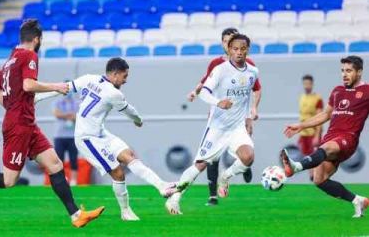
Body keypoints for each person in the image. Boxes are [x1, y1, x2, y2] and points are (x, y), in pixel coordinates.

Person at [0, 19, 104, 228]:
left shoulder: (12, 57)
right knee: (9, 181)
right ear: (37, 39)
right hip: (19, 124)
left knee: (54, 164)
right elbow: (27, 85)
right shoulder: (29, 55)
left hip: (25, 122)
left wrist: (10, 106)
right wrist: (56, 86)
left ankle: (76, 215)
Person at [36, 57, 175, 221]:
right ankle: (126, 212)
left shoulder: (89, 78)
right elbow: (130, 111)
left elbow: (63, 87)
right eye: (124, 76)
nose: (125, 81)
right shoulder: (114, 93)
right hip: (87, 139)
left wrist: (38, 97)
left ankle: (161, 186)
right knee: (118, 172)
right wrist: (139, 121)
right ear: (115, 74)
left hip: (101, 133)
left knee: (128, 155)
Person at [166, 34, 259, 215]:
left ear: (248, 49)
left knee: (248, 157)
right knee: (200, 165)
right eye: (235, 49)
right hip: (218, 127)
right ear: (229, 50)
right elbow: (203, 93)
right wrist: (218, 102)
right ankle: (175, 198)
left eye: (242, 49)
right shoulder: (220, 70)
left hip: (237, 127)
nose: (239, 52)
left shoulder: (253, 72)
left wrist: (248, 118)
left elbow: (247, 97)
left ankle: (225, 177)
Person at [281, 55, 369, 218]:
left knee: (325, 148)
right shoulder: (338, 91)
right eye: (342, 71)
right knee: (319, 179)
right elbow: (325, 114)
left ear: (359, 72)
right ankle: (357, 200)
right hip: (330, 138)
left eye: (349, 71)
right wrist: (301, 125)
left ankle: (297, 167)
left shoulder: (366, 92)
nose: (344, 74)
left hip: (347, 140)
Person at [298, 75, 323, 180]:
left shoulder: (317, 99)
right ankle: (311, 176)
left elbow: (320, 117)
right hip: (304, 133)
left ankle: (318, 176)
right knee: (307, 155)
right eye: (305, 83)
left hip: (313, 133)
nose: (307, 86)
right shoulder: (302, 97)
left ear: (312, 84)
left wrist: (317, 135)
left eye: (309, 83)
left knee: (316, 156)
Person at [53, 93, 80, 185]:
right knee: (59, 159)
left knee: (73, 159)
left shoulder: (77, 103)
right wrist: (68, 115)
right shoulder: (58, 102)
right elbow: (56, 114)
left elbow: (79, 116)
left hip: (73, 136)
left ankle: (74, 181)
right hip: (59, 136)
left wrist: (66, 115)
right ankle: (62, 179)